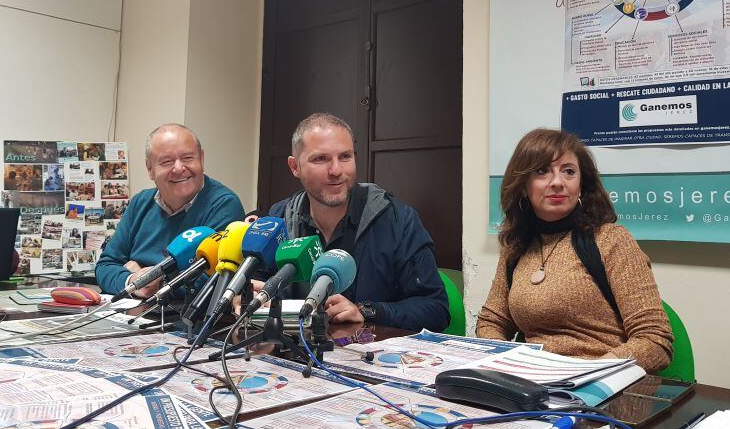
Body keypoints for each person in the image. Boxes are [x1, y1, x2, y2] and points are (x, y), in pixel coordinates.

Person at [475, 128, 673, 372]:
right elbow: (491, 321)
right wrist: (506, 365)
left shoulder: (611, 240)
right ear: (524, 186)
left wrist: (588, 375)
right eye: (542, 171)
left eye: (569, 172)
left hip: (600, 385)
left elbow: (655, 340)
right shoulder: (517, 246)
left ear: (580, 186)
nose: (558, 182)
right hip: (531, 382)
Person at [268, 113, 449, 332]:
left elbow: (435, 309)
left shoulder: (397, 220)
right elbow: (256, 288)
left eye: (345, 157)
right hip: (292, 355)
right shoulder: (278, 219)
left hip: (370, 358)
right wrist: (252, 296)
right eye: (320, 159)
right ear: (295, 167)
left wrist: (366, 311)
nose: (336, 171)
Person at [96, 123, 245, 297]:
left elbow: (208, 282)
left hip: (186, 319)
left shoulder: (223, 205)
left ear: (202, 159)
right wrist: (132, 279)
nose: (179, 168)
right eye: (167, 161)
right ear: (150, 169)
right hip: (132, 313)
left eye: (188, 158)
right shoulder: (140, 203)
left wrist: (150, 281)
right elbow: (105, 266)